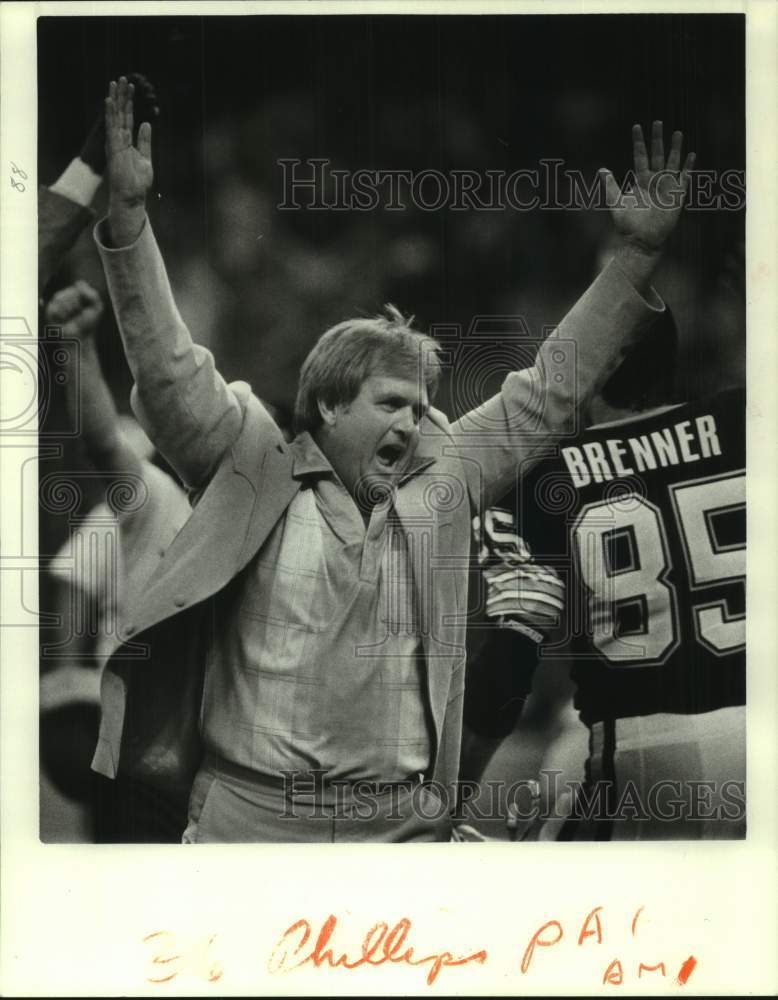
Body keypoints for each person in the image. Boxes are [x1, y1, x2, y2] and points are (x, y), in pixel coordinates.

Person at [93, 77, 693, 843]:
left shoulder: (444, 478)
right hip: (248, 826)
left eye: (421, 406)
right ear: (332, 405)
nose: (414, 422)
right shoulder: (246, 457)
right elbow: (168, 370)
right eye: (392, 403)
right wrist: (130, 221)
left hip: (398, 828)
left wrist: (634, 260)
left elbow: (550, 390)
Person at [461, 302, 746, 840]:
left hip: (644, 756)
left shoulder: (543, 479)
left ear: (600, 360)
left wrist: (448, 800)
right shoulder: (744, 423)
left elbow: (511, 655)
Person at [43, 280, 193, 841]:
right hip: (132, 750)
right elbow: (104, 442)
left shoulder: (272, 523)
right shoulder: (153, 498)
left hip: (213, 765)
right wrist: (77, 345)